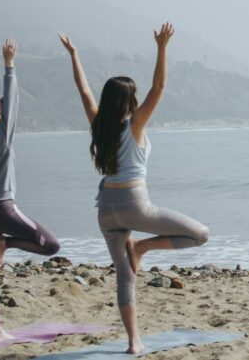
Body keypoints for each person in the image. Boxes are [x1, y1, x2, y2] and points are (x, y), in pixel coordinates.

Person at [59, 23, 210, 355]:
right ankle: (141, 247)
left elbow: (83, 91)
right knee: (199, 235)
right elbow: (160, 87)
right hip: (134, 205)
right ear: (130, 101)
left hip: (105, 211)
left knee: (124, 278)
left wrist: (74, 55)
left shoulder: (99, 126)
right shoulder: (135, 124)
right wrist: (162, 47)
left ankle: (133, 342)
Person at [0, 38, 61, 341]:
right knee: (51, 246)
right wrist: (9, 65)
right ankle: (8, 244)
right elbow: (12, 98)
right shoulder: (3, 137)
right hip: (3, 211)